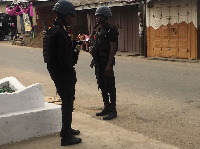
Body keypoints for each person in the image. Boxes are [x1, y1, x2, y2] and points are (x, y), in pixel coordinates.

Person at [43, 0, 82, 146]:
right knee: (67, 103)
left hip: (56, 71)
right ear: (63, 15)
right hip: (62, 72)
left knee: (67, 102)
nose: (72, 19)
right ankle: (66, 137)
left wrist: (72, 45)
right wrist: (72, 68)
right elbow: (64, 58)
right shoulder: (59, 32)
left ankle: (66, 129)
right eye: (70, 16)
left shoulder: (55, 29)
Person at [91, 6, 119, 120]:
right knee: (102, 86)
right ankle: (106, 107)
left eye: (99, 16)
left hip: (106, 62)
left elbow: (113, 49)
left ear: (106, 16)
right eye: (97, 16)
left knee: (110, 87)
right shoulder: (99, 30)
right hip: (98, 62)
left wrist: (109, 65)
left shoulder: (111, 30)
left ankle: (113, 110)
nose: (97, 18)